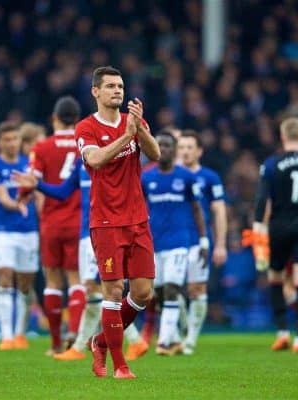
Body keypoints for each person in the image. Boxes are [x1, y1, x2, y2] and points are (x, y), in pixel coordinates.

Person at [12, 163, 149, 362]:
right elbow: (63, 192)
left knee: (103, 288)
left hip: (108, 230)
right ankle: (88, 346)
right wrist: (37, 185)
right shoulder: (81, 164)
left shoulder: (117, 161)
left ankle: (130, 341)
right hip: (88, 232)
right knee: (93, 290)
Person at [75, 66, 160, 379]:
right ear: (96, 92)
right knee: (112, 291)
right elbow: (94, 159)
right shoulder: (86, 128)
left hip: (138, 219)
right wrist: (126, 136)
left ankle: (99, 341)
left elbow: (157, 155)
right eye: (110, 86)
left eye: (121, 86)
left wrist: (140, 130)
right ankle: (120, 365)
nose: (117, 91)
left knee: (143, 293)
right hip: (107, 220)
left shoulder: (133, 122)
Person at [252, 117, 298, 353]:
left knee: (276, 278)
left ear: (283, 137)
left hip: (279, 225)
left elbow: (263, 198)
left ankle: (282, 332)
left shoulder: (272, 163)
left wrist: (258, 225)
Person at [25, 96, 85, 354]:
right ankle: (75, 333)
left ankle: (55, 343)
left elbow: (31, 182)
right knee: (76, 280)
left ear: (54, 119)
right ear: (78, 120)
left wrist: (26, 200)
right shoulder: (85, 146)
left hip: (50, 221)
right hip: (79, 222)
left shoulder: (41, 147)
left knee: (52, 281)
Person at [141, 130, 208, 356]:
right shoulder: (146, 178)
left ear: (175, 149)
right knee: (159, 293)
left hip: (180, 243)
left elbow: (197, 210)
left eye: (169, 146)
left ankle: (164, 342)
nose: (165, 150)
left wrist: (204, 240)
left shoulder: (187, 177)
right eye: (161, 145)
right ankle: (175, 339)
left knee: (172, 288)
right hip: (154, 243)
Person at [0, 122, 39, 350]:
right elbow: (1, 196)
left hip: (29, 232)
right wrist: (17, 205)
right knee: (5, 278)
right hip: (4, 232)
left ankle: (19, 334)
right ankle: (6, 336)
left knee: (25, 285)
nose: (12, 143)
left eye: (15, 138)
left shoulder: (30, 165)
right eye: (7, 139)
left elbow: (41, 194)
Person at [176, 130, 228, 355]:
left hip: (199, 241)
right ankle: (182, 328)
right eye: (182, 147)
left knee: (197, 289)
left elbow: (219, 211)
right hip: (172, 241)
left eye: (189, 147)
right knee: (169, 289)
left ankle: (190, 339)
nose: (185, 151)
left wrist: (220, 244)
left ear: (199, 151)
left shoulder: (210, 177)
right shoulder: (169, 175)